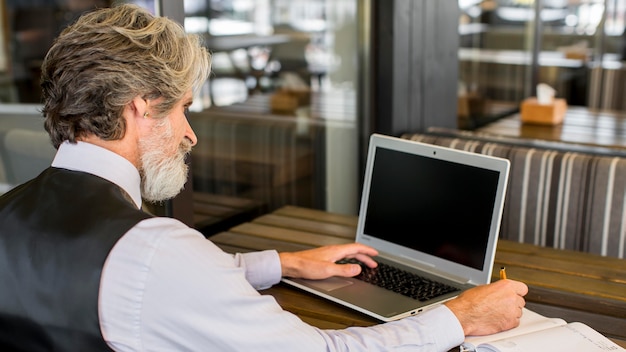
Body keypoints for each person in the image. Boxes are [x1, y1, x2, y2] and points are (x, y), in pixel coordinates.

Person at [0, 4, 528, 352]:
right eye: (184, 109)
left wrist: (283, 263)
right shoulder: (154, 250)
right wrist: (460, 316)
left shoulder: (11, 212)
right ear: (141, 107)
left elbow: (138, 285)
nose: (191, 135)